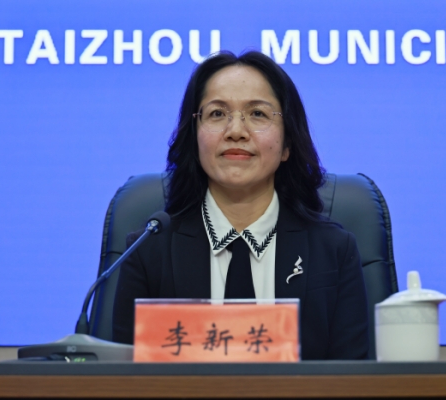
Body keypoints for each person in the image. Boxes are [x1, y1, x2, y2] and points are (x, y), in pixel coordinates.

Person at [112, 51, 368, 360]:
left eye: (258, 114)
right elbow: (126, 380)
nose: (236, 131)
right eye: (217, 114)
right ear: (194, 137)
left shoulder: (334, 252)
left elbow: (350, 380)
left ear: (287, 144)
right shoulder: (148, 253)